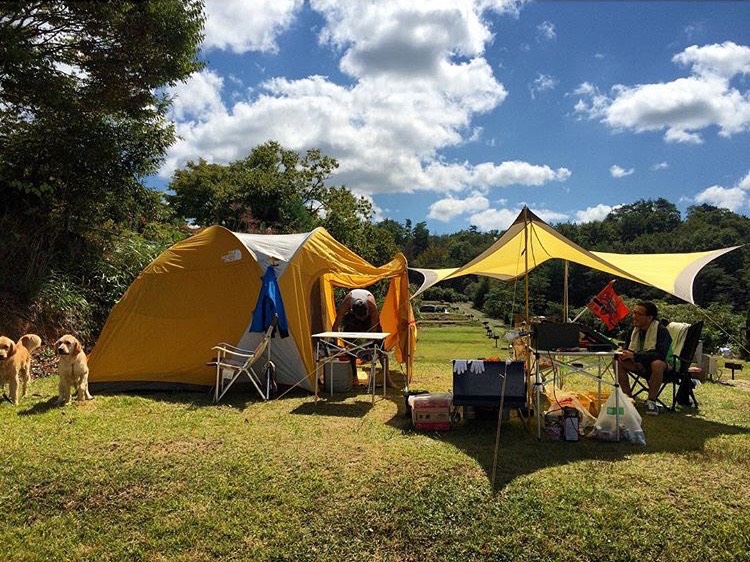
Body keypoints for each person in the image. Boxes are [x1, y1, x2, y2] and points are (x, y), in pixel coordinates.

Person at [617, 301, 672, 415]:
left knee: (656, 363)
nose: (634, 317)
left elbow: (660, 355)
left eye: (638, 314)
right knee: (618, 360)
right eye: (634, 313)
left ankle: (651, 401)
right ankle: (628, 399)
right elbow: (629, 349)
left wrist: (636, 356)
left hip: (665, 366)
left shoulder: (661, 331)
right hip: (640, 363)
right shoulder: (634, 330)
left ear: (649, 317)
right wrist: (624, 353)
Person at [332, 289, 387, 385]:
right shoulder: (346, 304)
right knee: (350, 346)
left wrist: (370, 344)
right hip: (353, 319)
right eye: (360, 317)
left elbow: (374, 328)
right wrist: (335, 343)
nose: (362, 319)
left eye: (363, 316)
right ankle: (354, 377)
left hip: (370, 319)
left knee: (380, 346)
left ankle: (387, 378)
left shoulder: (371, 305)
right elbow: (337, 323)